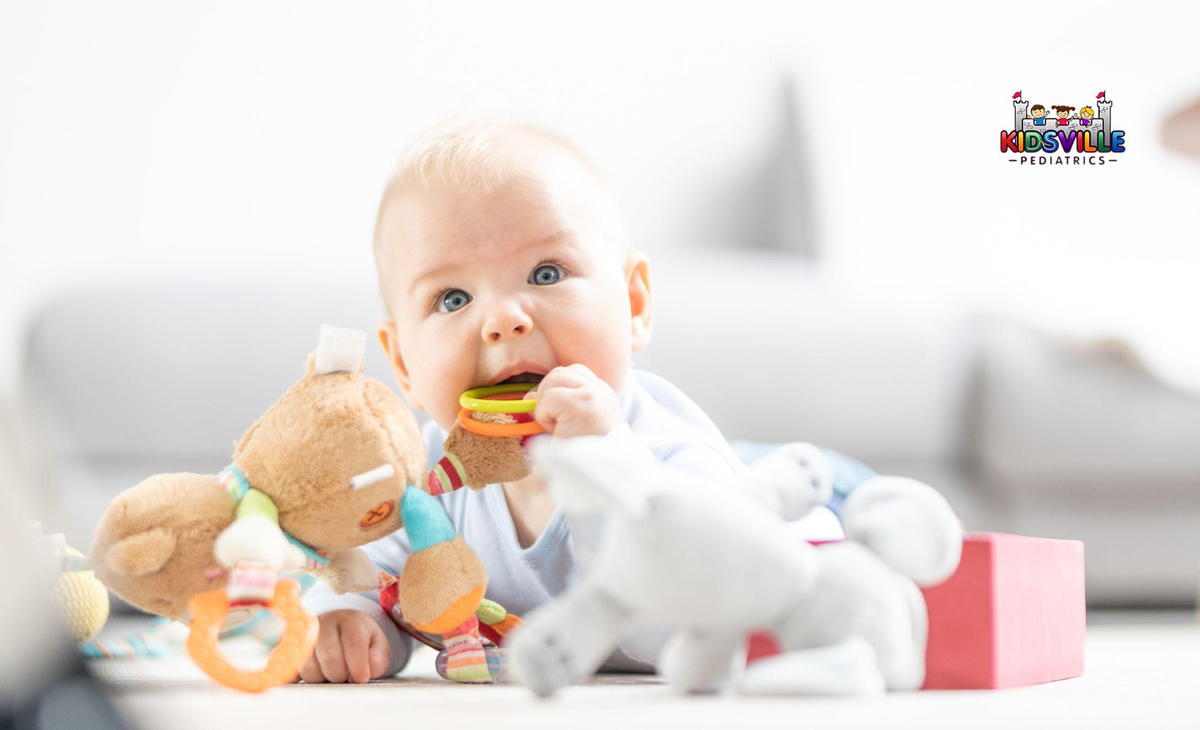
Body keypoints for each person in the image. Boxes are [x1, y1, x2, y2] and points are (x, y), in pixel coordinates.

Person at [296, 120, 745, 683]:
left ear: (633, 305)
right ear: (405, 365)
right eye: (452, 298)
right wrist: (349, 621)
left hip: (773, 488)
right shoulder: (429, 479)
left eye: (546, 272)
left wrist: (605, 465)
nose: (504, 319)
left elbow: (692, 628)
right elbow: (372, 577)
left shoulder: (673, 453)